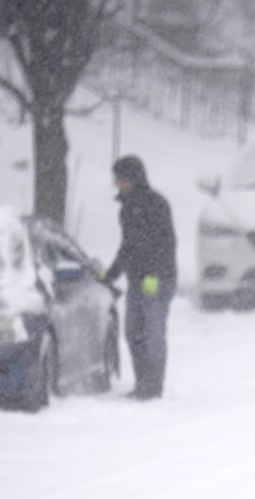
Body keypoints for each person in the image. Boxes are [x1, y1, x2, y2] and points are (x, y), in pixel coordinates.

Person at [102, 154, 177, 400]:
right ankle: (142, 382)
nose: (119, 184)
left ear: (135, 178)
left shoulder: (156, 205)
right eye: (118, 180)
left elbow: (165, 244)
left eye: (123, 179)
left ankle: (153, 386)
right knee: (133, 331)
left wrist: (155, 275)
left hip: (159, 279)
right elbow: (128, 247)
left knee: (153, 333)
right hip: (137, 280)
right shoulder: (126, 210)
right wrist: (111, 274)